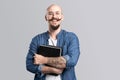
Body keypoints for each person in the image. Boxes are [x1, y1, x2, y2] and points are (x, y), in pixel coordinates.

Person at [26, 4, 80, 80]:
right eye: (50, 14)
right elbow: (29, 65)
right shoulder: (37, 40)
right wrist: (53, 69)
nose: (54, 16)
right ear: (46, 17)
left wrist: (44, 60)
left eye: (57, 13)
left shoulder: (71, 38)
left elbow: (72, 61)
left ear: (62, 17)